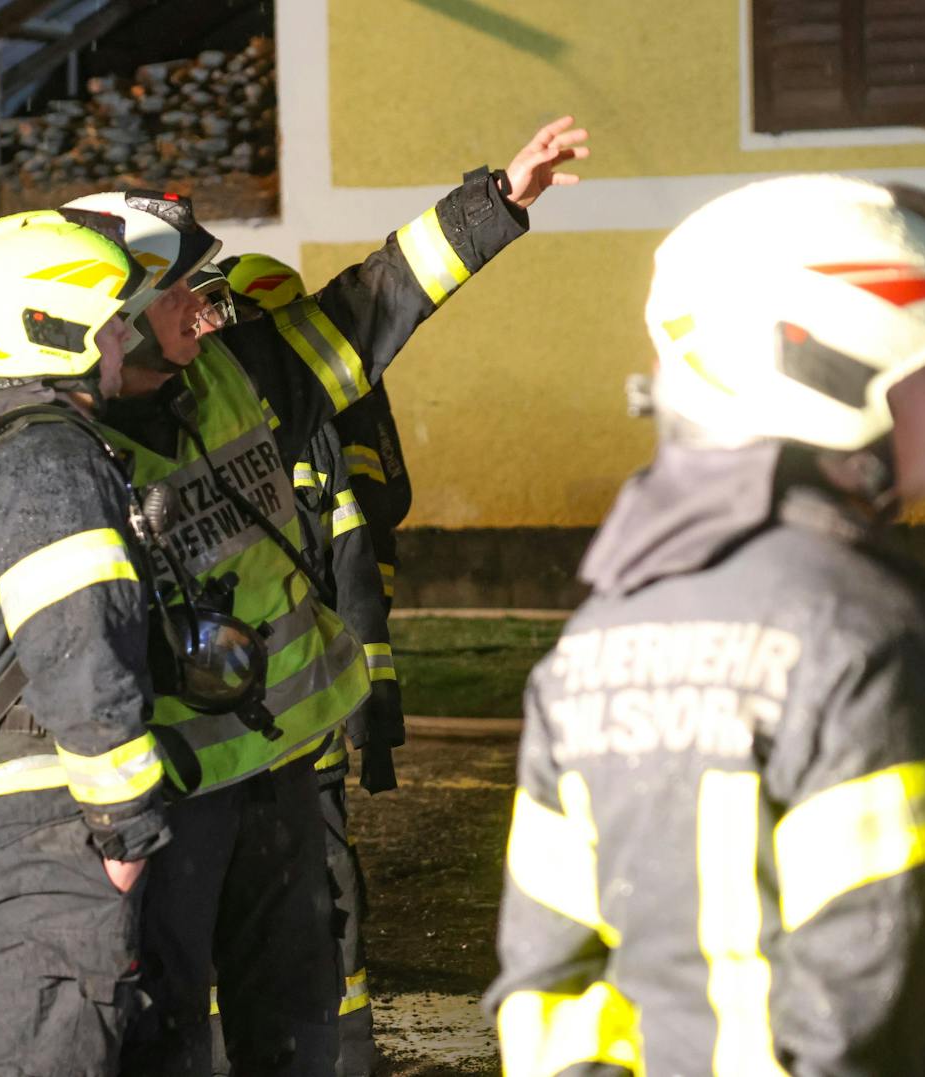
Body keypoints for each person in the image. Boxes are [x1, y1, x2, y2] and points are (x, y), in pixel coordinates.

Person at [72, 115, 588, 1076]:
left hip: (281, 774)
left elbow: (370, 303)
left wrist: (499, 202)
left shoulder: (242, 373)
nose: (202, 302)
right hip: (172, 796)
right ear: (115, 309)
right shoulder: (55, 452)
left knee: (299, 1016)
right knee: (170, 1025)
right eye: (177, 285)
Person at [485, 175, 925, 1075]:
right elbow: (875, 1024)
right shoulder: (873, 642)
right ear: (829, 370)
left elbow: (547, 991)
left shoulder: (589, 644)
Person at [0, 210, 169, 1075]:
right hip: (47, 845)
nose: (126, 335)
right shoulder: (49, 457)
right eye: (112, 319)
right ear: (52, 330)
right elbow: (80, 653)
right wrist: (125, 835)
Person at [196, 262, 402, 1077]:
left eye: (221, 309)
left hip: (298, 726)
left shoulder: (305, 427)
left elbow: (354, 567)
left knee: (321, 889)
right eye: (202, 308)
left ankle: (345, 1046)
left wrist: (371, 711)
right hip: (221, 741)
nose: (209, 322)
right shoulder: (176, 421)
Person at [222, 253, 413, 613]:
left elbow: (383, 494)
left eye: (243, 315)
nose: (230, 331)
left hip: (356, 556)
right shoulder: (249, 384)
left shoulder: (329, 380)